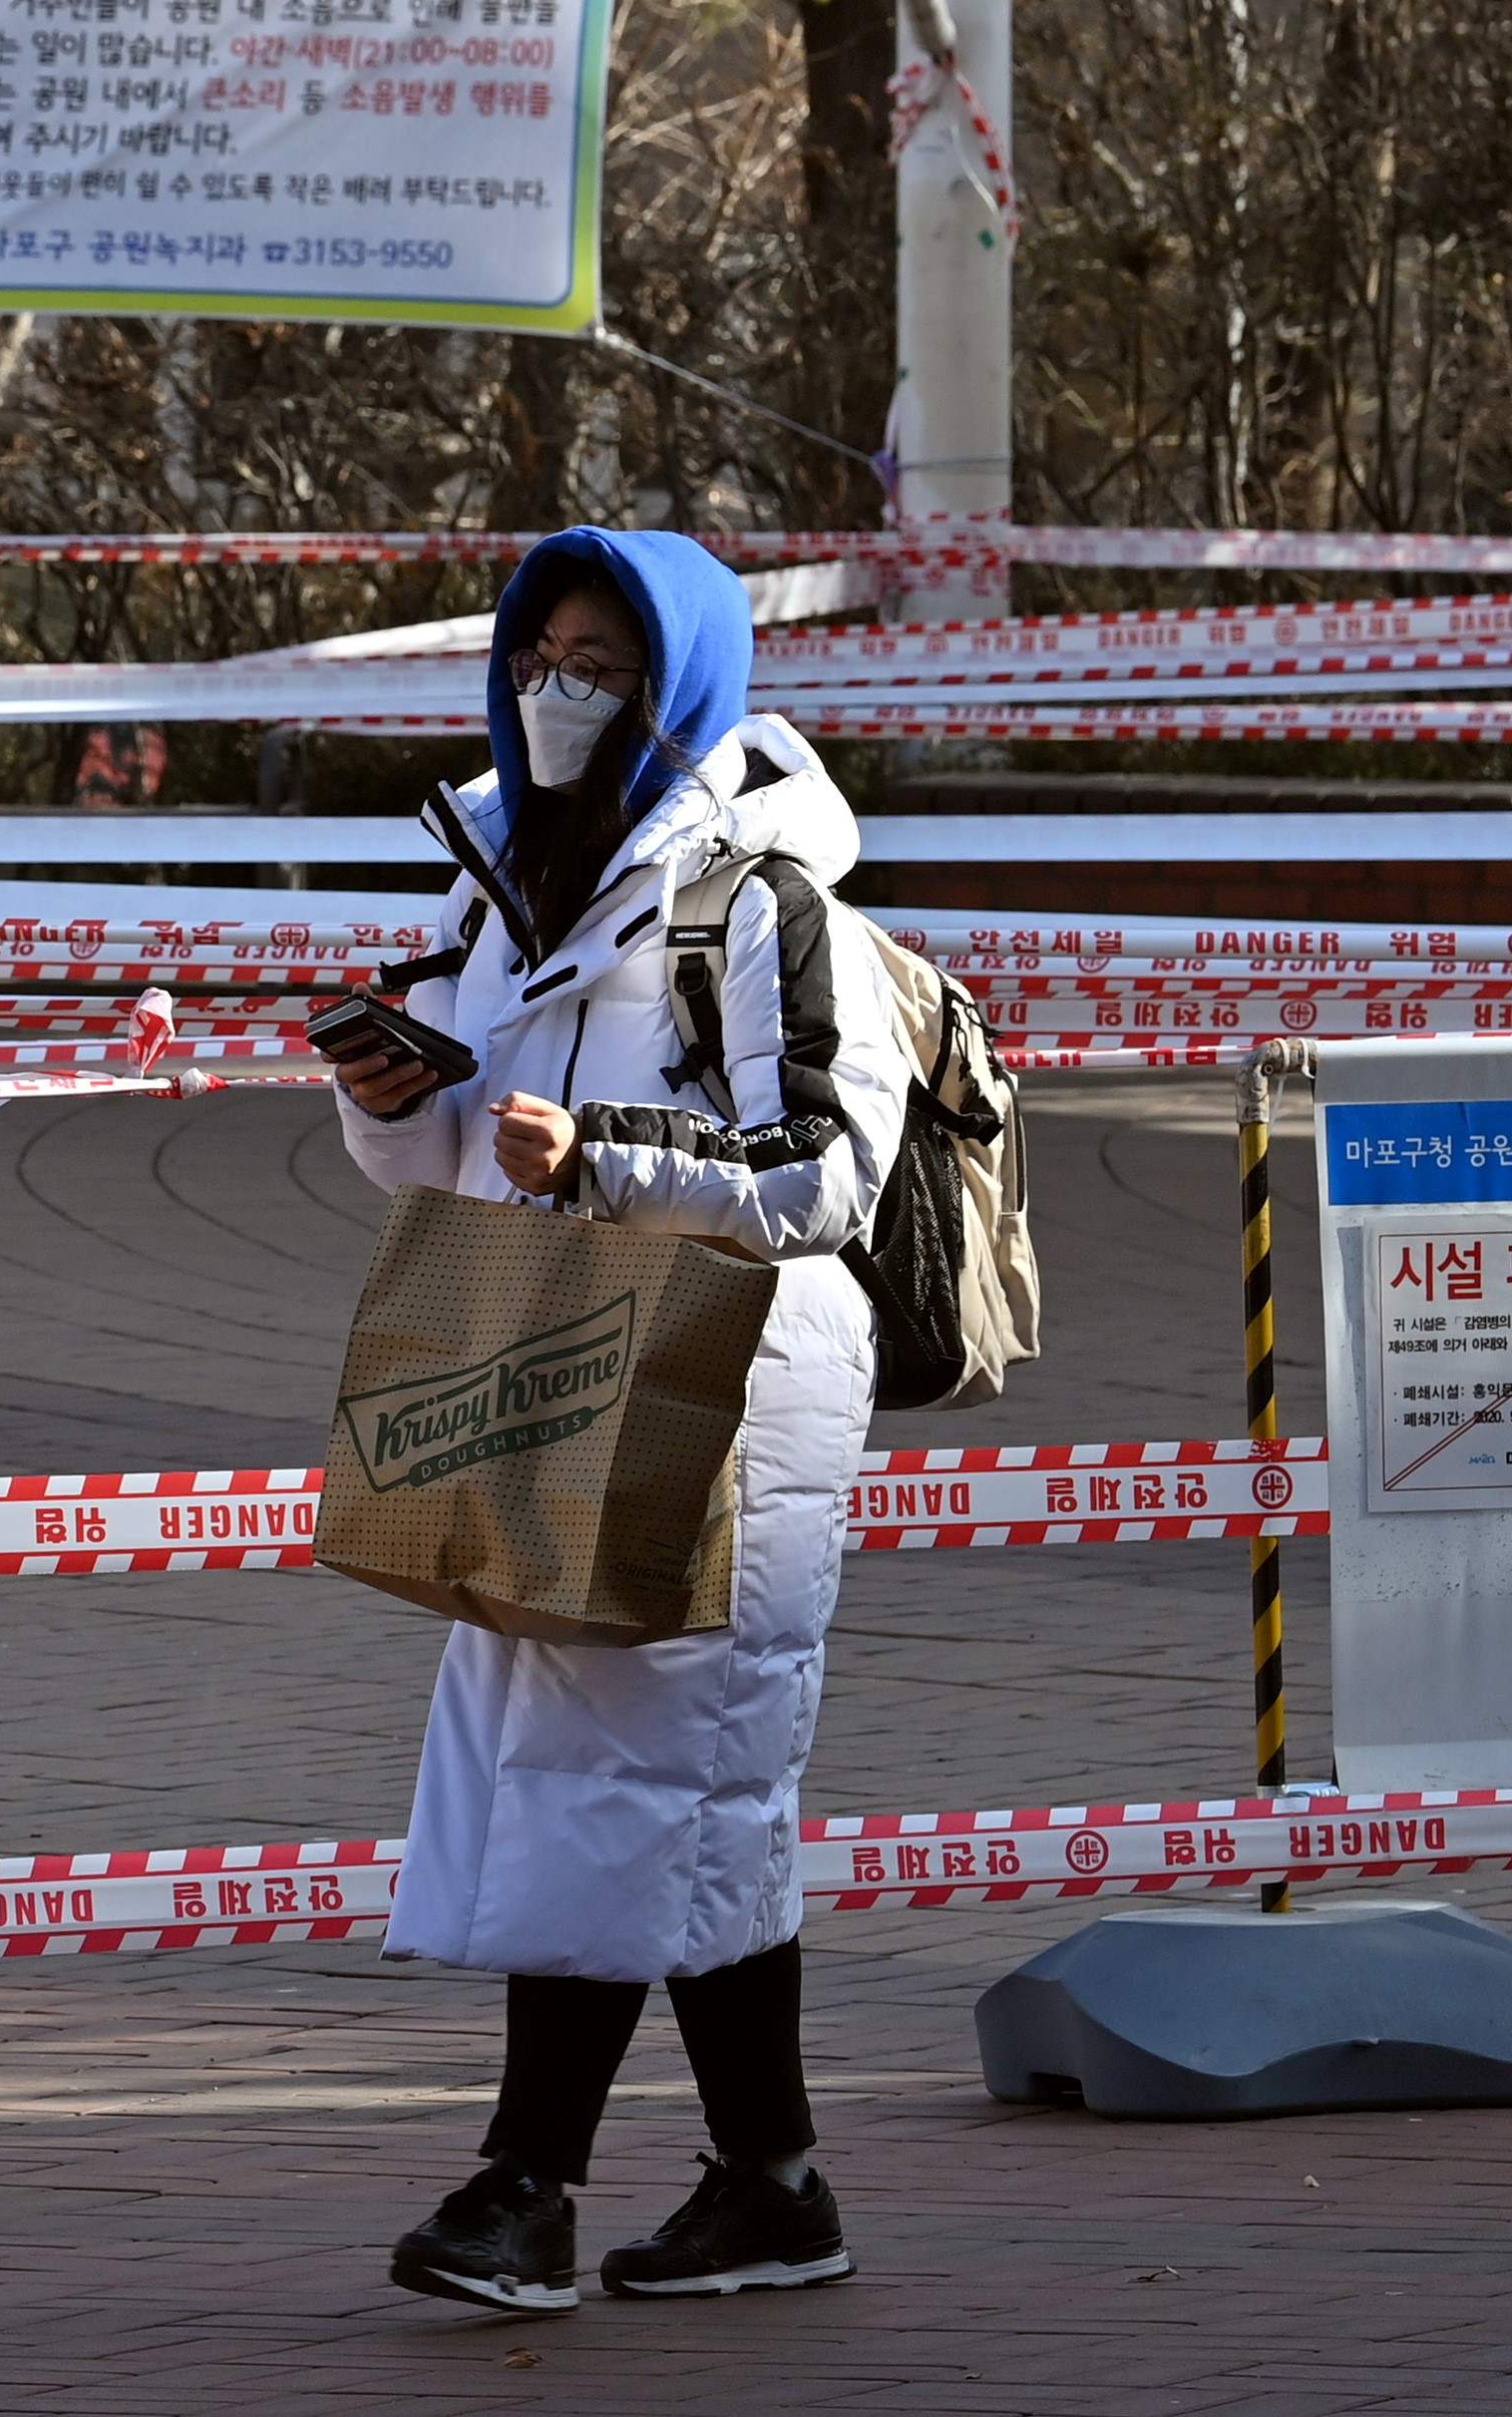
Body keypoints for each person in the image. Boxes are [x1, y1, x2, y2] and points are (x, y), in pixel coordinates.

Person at [328, 526, 908, 2314]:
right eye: (539, 652)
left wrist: (604, 1159)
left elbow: (828, 1167)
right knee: (656, 1788)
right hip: (552, 1346)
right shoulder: (496, 866)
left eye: (603, 663)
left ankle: (526, 2188)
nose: (556, 691)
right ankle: (772, 2186)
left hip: (725, 1368)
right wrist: (391, 1095)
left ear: (685, 685)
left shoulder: (764, 897)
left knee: (620, 1779)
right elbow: (454, 1139)